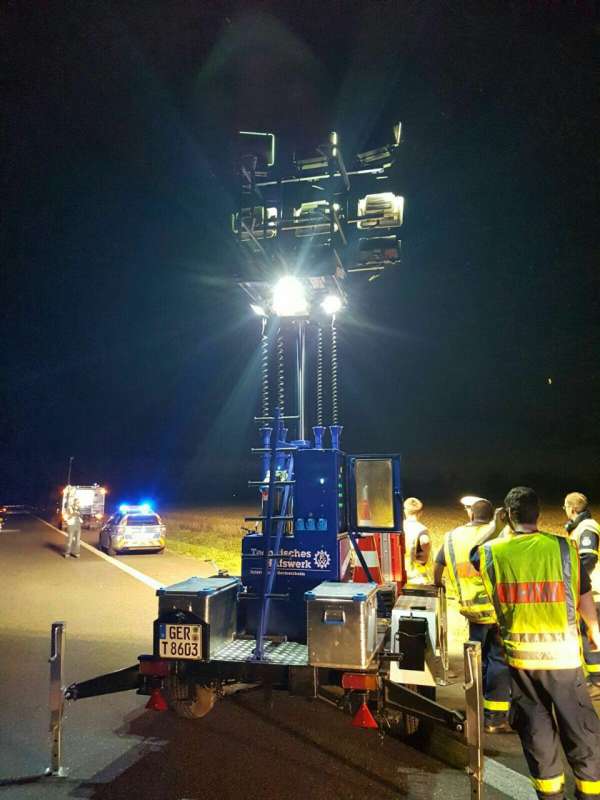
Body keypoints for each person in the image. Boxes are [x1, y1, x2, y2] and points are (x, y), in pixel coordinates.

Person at [475, 487, 600, 800]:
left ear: (508, 515)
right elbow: (584, 595)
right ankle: (589, 794)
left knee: (537, 733)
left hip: (522, 663)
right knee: (582, 732)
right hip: (563, 660)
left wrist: (497, 524)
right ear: (539, 513)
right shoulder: (562, 548)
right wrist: (595, 628)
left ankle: (550, 796)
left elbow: (473, 555)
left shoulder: (493, 552)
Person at [434, 498, 512, 733]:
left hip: (471, 611)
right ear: (492, 517)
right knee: (497, 660)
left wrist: (438, 585)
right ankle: (496, 719)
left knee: (476, 660)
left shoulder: (451, 537)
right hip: (497, 611)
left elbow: (438, 566)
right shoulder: (502, 535)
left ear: (471, 515)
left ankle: (476, 708)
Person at [564, 491, 600, 687]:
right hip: (584, 590)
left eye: (565, 508)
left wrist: (574, 582)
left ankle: (597, 681)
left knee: (591, 634)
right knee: (587, 634)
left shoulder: (587, 527)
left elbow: (588, 557)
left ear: (572, 509)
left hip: (590, 591)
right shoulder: (581, 527)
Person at [403, 497, 432, 585]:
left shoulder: (400, 527)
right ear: (420, 513)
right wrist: (423, 559)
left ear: (405, 511)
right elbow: (425, 541)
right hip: (417, 578)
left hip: (401, 576)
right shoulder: (421, 529)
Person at [64, 494, 82, 558]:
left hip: (78, 526)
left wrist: (79, 514)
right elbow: (67, 517)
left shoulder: (79, 509)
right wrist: (74, 513)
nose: (78, 503)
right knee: (70, 541)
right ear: (74, 502)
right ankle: (67, 553)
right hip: (71, 526)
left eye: (78, 502)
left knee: (77, 541)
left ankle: (77, 553)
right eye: (77, 502)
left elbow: (81, 516)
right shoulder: (70, 508)